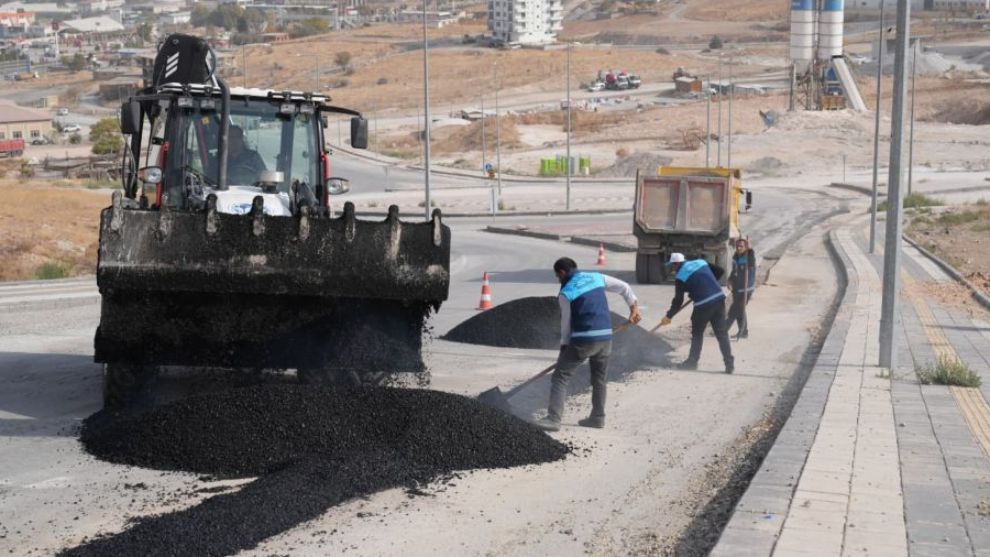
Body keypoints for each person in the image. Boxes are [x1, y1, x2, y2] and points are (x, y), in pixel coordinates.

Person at [535, 257, 641, 432]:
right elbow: (624, 287)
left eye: (557, 276)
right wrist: (634, 308)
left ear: (562, 272)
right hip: (605, 337)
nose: (558, 280)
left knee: (560, 376)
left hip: (584, 340)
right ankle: (598, 418)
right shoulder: (596, 277)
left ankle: (553, 419)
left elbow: (566, 325)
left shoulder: (566, 292)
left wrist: (564, 349)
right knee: (599, 378)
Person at [659, 253, 734, 374]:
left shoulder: (680, 277)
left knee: (697, 334)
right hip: (719, 299)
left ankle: (692, 362)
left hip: (703, 305)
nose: (672, 269)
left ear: (676, 264)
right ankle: (729, 364)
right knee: (721, 333)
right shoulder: (701, 262)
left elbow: (678, 301)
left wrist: (669, 316)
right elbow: (720, 271)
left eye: (672, 266)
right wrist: (708, 284)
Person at [726, 239, 756, 339]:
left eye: (741, 246)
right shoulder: (736, 256)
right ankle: (743, 332)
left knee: (734, 310)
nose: (739, 248)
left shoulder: (749, 257)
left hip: (746, 290)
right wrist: (730, 280)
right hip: (737, 289)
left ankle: (722, 330)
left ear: (746, 247)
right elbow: (734, 271)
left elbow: (751, 261)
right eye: (737, 246)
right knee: (740, 311)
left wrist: (750, 250)